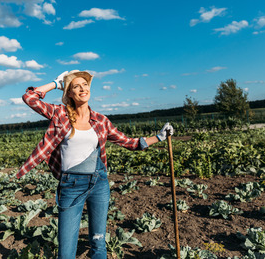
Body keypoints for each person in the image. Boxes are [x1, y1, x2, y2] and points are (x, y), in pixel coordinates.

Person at [16, 70, 174, 259]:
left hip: (99, 182)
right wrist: (56, 84)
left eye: (85, 84)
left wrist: (159, 137)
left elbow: (129, 142)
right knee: (66, 252)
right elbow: (29, 97)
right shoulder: (60, 113)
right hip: (71, 185)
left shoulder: (101, 120)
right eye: (76, 86)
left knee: (98, 243)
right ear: (69, 94)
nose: (83, 88)